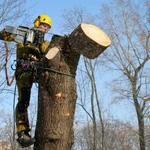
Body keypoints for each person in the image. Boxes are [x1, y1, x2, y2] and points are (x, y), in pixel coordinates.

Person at [0, 14, 52, 147]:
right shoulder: (24, 34)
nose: (45, 29)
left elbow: (48, 54)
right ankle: (23, 133)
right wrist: (15, 32)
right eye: (43, 25)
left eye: (47, 27)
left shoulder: (45, 43)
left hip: (39, 71)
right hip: (24, 70)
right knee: (24, 100)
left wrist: (40, 45)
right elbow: (4, 35)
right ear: (37, 23)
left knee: (51, 93)